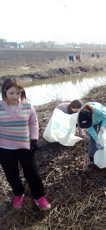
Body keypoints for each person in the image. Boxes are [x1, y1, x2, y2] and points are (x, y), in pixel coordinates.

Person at [0, 77, 51, 210]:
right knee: (11, 174)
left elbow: (33, 123)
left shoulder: (27, 105)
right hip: (5, 148)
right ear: (4, 91)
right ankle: (18, 193)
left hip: (26, 146)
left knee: (33, 172)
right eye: (12, 93)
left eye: (18, 93)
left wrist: (34, 140)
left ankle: (39, 196)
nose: (15, 96)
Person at [78, 102, 106, 173]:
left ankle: (104, 155)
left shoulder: (98, 111)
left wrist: (102, 126)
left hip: (101, 119)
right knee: (92, 140)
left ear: (92, 116)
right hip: (91, 123)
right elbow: (89, 128)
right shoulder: (82, 115)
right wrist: (96, 139)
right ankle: (92, 160)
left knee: (103, 137)